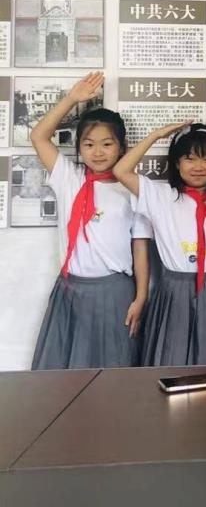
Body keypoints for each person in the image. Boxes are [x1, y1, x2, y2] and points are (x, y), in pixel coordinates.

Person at [29, 72, 151, 369]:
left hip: (115, 293)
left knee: (112, 370)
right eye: (89, 144)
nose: (97, 152)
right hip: (70, 290)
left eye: (107, 144)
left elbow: (140, 248)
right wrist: (72, 98)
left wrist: (141, 298)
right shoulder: (68, 178)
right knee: (64, 372)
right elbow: (38, 136)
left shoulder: (132, 189)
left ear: (122, 146)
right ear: (79, 148)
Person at [113, 122, 206, 366]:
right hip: (173, 292)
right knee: (171, 361)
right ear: (177, 163)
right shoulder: (161, 197)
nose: (198, 167)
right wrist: (157, 134)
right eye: (189, 159)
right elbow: (121, 170)